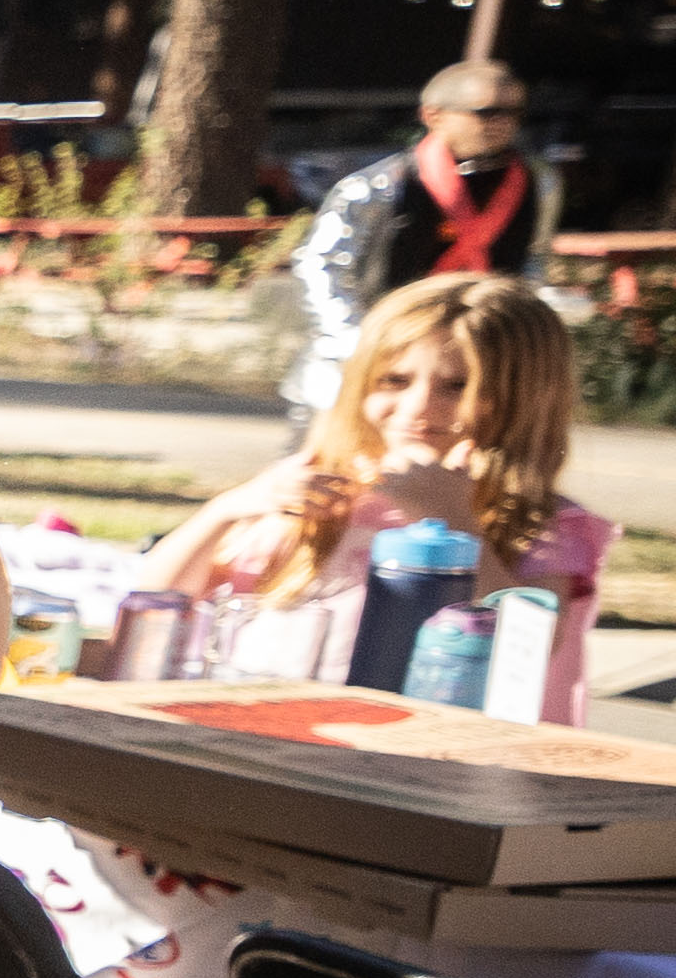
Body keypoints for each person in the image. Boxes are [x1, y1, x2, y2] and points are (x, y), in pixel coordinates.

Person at [152, 272, 611, 721]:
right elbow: (154, 598)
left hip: (430, 764)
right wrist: (227, 509)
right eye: (394, 379)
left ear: (525, 398)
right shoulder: (315, 491)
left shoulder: (543, 523)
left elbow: (527, 648)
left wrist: (453, 519)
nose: (418, 407)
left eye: (458, 386)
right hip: (268, 730)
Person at [283, 60, 556, 422]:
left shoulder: (540, 184)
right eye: (486, 112)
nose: (503, 123)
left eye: (514, 112)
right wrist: (357, 338)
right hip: (369, 355)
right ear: (434, 115)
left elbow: (532, 260)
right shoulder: (379, 186)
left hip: (470, 358)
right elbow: (322, 263)